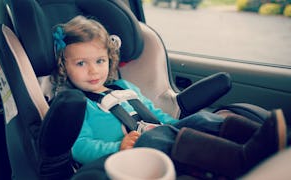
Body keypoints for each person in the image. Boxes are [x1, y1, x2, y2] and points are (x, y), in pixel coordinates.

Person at [51, 15, 287, 178]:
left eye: (100, 61)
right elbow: (78, 147)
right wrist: (118, 147)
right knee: (155, 139)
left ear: (109, 59)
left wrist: (181, 127)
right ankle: (242, 158)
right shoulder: (75, 104)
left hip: (159, 133)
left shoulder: (124, 85)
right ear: (64, 65)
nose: (93, 70)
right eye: (81, 63)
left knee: (199, 120)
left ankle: (264, 136)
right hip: (132, 155)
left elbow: (157, 114)